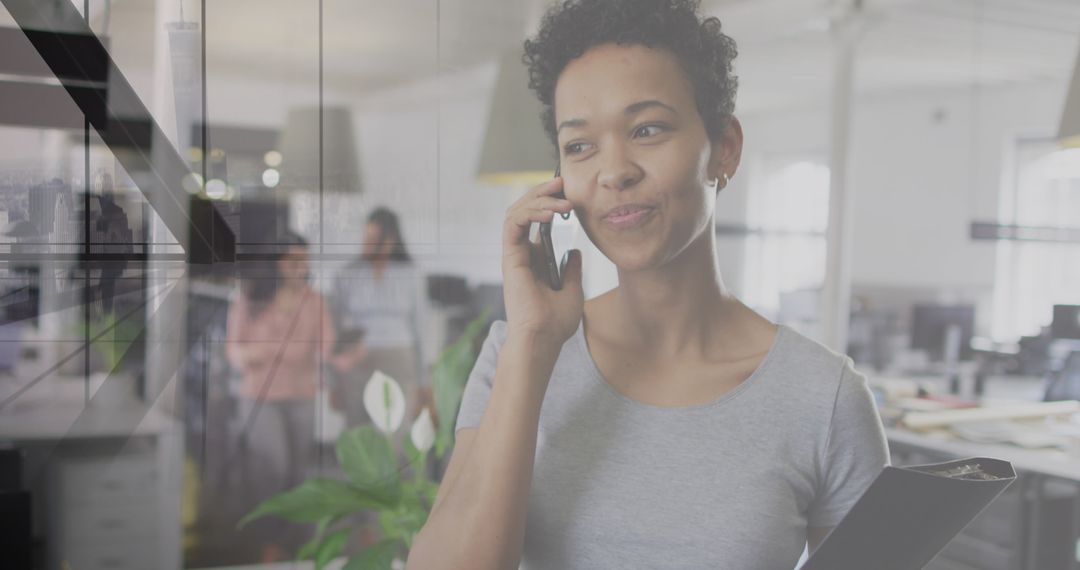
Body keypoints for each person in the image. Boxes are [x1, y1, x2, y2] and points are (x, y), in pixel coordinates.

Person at [407, 1, 889, 569]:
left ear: (724, 149)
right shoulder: (513, 355)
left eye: (647, 129)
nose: (614, 171)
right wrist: (533, 348)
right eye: (580, 145)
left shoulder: (822, 397)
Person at [225, 232, 335, 561]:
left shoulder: (314, 300)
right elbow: (234, 350)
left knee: (298, 472)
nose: (298, 267)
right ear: (276, 262)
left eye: (303, 261)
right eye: (292, 260)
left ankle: (293, 541)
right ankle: (268, 542)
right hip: (261, 397)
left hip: (301, 394)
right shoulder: (251, 298)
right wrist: (262, 352)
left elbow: (325, 346)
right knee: (272, 467)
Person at [329, 207, 429, 431]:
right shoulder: (348, 274)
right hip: (358, 359)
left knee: (396, 427)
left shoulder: (410, 274)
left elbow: (420, 327)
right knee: (358, 426)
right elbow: (335, 328)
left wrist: (424, 381)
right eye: (366, 237)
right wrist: (333, 380)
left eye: (374, 239)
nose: (367, 244)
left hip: (398, 357)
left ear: (391, 240)